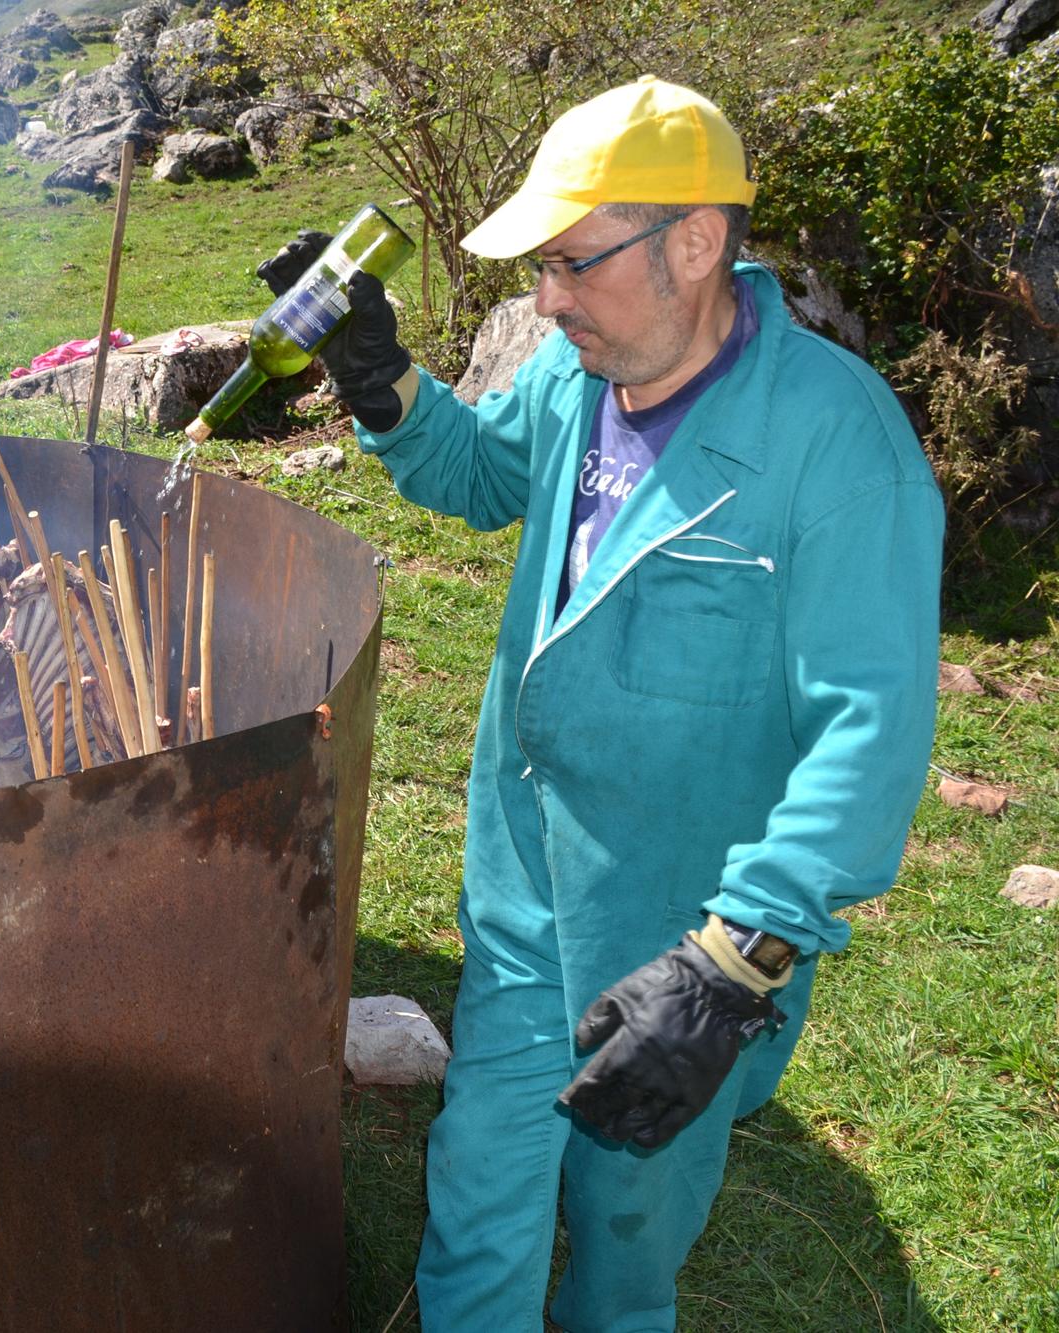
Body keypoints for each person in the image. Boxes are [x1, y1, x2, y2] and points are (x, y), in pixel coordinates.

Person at [256, 77, 942, 1329]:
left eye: (571, 262)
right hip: (526, 895)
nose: (545, 299)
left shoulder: (834, 443)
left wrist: (732, 966)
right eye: (542, 267)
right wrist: (380, 382)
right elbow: (475, 475)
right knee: (479, 1193)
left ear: (692, 242)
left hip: (684, 942)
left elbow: (869, 726)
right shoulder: (579, 381)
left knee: (627, 1244)